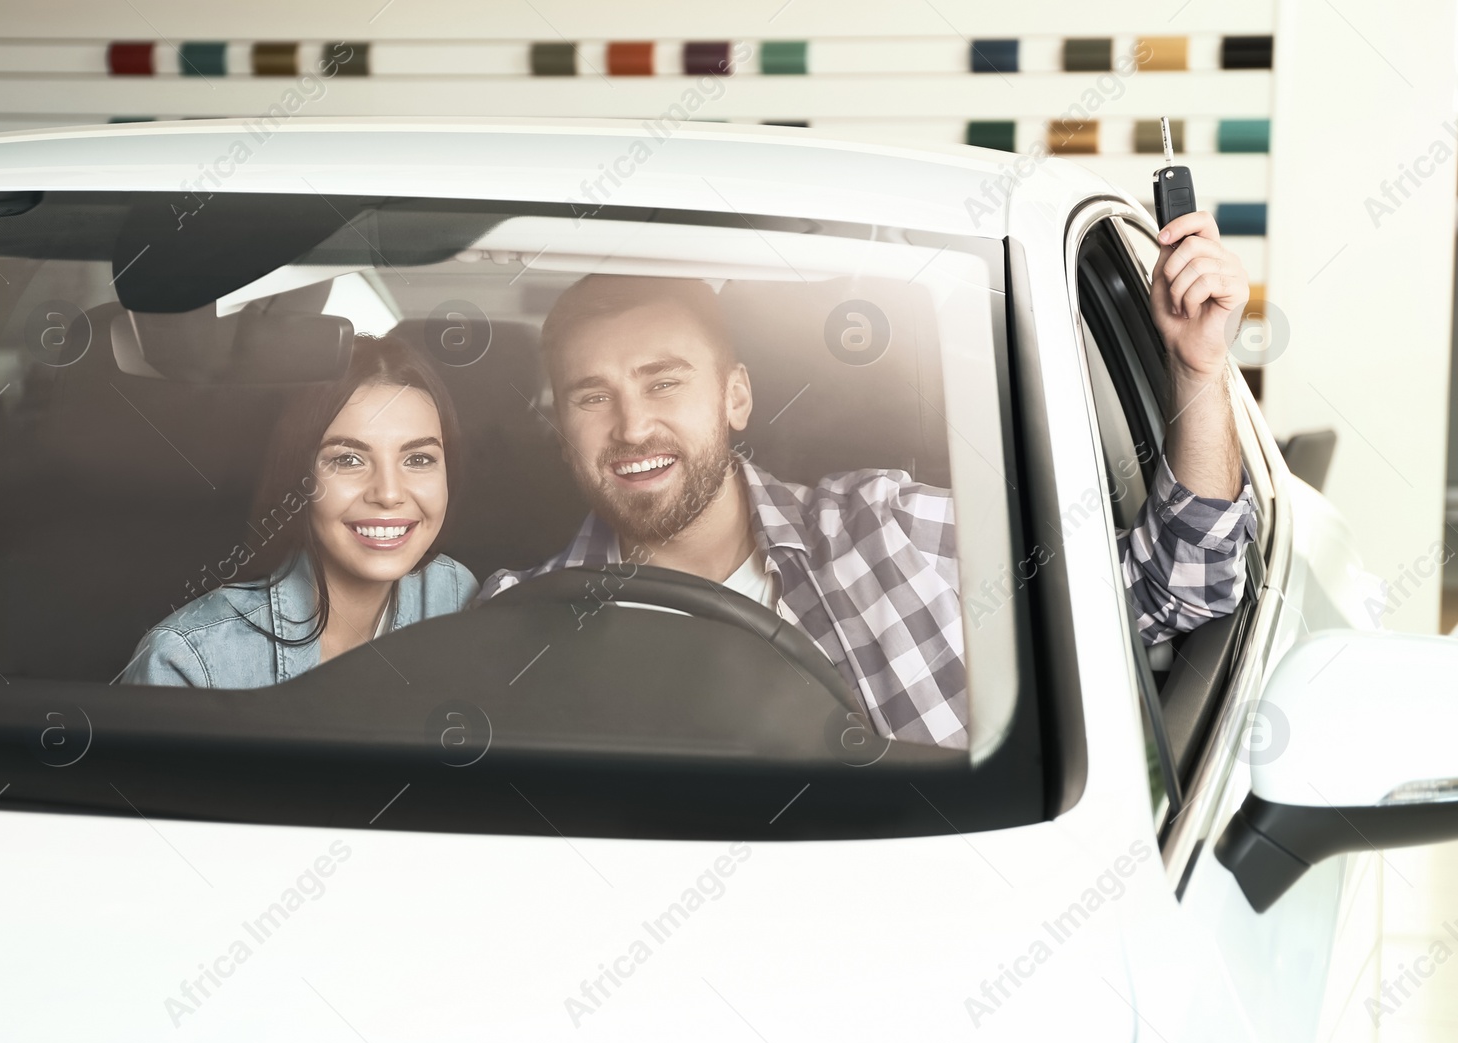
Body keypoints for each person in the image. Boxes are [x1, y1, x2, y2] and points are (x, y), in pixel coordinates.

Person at [478, 210, 1258, 749]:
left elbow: (1177, 584)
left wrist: (1199, 362)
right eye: (591, 395)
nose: (631, 425)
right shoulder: (514, 624)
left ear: (735, 396)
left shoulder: (892, 530)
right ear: (562, 428)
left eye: (663, 381)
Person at [123, 334, 477, 688]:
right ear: (298, 477)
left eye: (418, 459)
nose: (388, 493)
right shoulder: (189, 662)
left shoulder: (459, 597)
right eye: (348, 459)